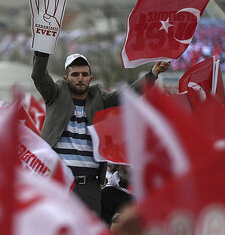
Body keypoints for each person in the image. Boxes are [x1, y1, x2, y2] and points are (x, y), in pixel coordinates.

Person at [31, 51, 169, 215]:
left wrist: (152, 74)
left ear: (91, 78)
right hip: (58, 182)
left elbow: (126, 95)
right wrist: (43, 49)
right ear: (66, 79)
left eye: (84, 74)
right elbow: (39, 76)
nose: (80, 78)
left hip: (89, 187)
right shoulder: (55, 94)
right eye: (75, 74)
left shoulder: (99, 98)